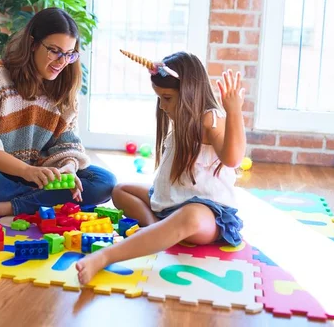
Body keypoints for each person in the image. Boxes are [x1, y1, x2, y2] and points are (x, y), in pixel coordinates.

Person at [76, 51, 246, 284]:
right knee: (120, 190)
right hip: (170, 204)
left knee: (190, 216)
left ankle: (106, 257)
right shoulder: (181, 121)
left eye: (167, 98)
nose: (163, 106)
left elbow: (233, 159)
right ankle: (155, 228)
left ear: (189, 93)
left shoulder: (210, 119)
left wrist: (234, 111)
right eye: (159, 98)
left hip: (209, 214)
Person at [0, 8, 116, 220]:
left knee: (104, 182)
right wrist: (25, 171)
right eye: (55, 50)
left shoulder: (65, 89)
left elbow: (68, 144)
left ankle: (13, 206)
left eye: (69, 54)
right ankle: (42, 201)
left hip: (40, 175)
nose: (62, 62)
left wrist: (68, 168)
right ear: (32, 44)